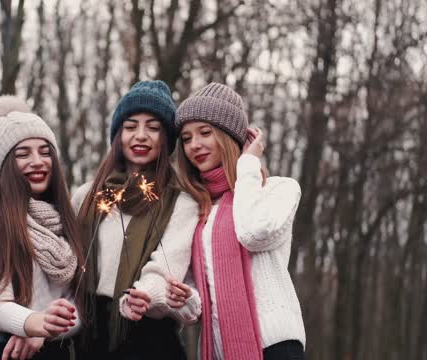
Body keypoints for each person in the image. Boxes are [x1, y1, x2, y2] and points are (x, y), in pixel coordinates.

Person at [167, 82, 306, 359]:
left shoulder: (278, 189)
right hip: (219, 350)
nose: (195, 145)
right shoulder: (199, 209)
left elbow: (252, 232)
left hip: (274, 347)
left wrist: (247, 166)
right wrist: (185, 300)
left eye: (205, 132)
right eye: (186, 137)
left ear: (229, 136)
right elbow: (198, 297)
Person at [72, 80, 201, 359]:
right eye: (130, 126)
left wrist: (144, 295)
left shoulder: (180, 202)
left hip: (149, 337)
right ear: (118, 134)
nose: (140, 136)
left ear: (166, 140)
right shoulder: (86, 197)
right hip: (89, 337)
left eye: (153, 128)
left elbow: (167, 269)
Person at [0, 96, 84, 360]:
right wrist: (35, 321)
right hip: (5, 353)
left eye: (45, 152)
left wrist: (46, 329)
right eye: (23, 154)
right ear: (4, 167)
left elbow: (77, 305)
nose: (38, 161)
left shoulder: (64, 223)